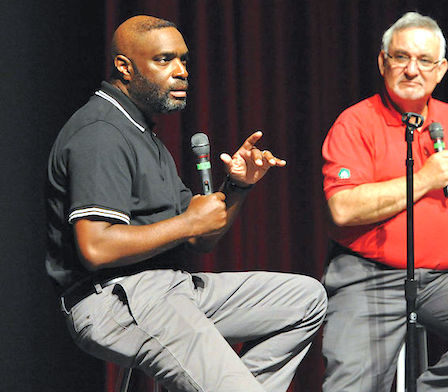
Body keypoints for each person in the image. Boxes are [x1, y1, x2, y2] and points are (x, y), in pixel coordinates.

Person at [46, 15, 326, 392]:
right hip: (117, 298)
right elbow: (95, 247)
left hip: (172, 288)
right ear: (124, 67)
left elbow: (200, 239)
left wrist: (237, 187)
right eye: (164, 60)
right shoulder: (101, 133)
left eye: (183, 60)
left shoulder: (142, 133)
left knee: (306, 300)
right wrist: (189, 224)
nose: (180, 72)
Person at [320, 11, 448, 392]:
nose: (412, 70)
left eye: (424, 60)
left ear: (441, 69)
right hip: (368, 276)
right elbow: (343, 208)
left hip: (445, 276)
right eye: (401, 57)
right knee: (348, 387)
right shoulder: (355, 123)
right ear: (383, 61)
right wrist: (424, 179)